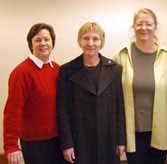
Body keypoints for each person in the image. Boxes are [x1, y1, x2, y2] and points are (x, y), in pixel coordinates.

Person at [113, 8, 167, 164]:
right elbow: (114, 97)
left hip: (159, 128)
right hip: (132, 131)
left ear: (155, 26)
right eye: (139, 24)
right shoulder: (120, 56)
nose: (144, 28)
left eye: (148, 24)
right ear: (133, 27)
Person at [57, 22, 126, 164]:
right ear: (79, 41)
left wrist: (120, 140)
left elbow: (119, 108)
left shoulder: (114, 69)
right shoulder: (67, 70)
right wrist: (67, 144)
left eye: (95, 39)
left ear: (101, 42)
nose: (90, 43)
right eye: (86, 38)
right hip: (79, 140)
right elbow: (62, 111)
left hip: (108, 138)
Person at [3, 23, 66, 164]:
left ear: (53, 43)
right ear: (31, 44)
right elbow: (12, 111)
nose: (43, 43)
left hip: (59, 139)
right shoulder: (21, 72)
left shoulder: (57, 69)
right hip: (35, 143)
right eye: (38, 40)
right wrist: (11, 145)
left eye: (46, 39)